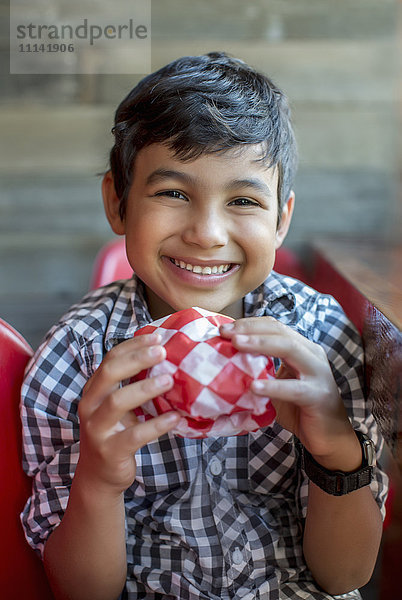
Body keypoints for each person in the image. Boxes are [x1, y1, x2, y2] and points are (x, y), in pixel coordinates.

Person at [21, 52, 388, 600]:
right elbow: (83, 591)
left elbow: (345, 575)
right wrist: (97, 480)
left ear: (281, 218)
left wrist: (336, 447)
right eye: (173, 193)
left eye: (242, 200)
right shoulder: (75, 359)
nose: (207, 233)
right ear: (117, 203)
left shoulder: (319, 341)